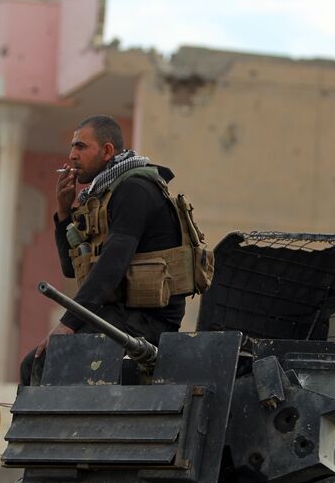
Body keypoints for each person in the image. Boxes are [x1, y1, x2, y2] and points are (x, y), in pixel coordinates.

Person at [20, 115, 204, 385]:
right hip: (119, 313)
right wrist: (63, 212)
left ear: (107, 151)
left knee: (41, 363)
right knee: (38, 363)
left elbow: (113, 265)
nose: (72, 156)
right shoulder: (102, 195)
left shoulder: (134, 189)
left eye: (81, 147)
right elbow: (71, 269)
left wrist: (68, 324)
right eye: (72, 147)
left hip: (146, 319)